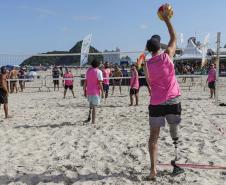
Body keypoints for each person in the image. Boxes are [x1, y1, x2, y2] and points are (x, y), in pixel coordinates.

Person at [144, 9, 181, 180]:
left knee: (153, 138)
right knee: (174, 130)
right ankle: (176, 162)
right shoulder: (168, 56)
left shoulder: (147, 65)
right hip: (172, 99)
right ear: (160, 46)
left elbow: (150, 84)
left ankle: (153, 171)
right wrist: (166, 20)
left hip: (157, 102)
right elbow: (174, 38)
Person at [83, 60, 104, 125]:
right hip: (95, 92)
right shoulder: (99, 71)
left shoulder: (88, 71)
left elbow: (85, 82)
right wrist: (102, 92)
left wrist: (84, 91)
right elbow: (100, 83)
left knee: (91, 105)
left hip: (89, 91)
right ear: (97, 65)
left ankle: (89, 117)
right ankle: (93, 122)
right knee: (94, 106)